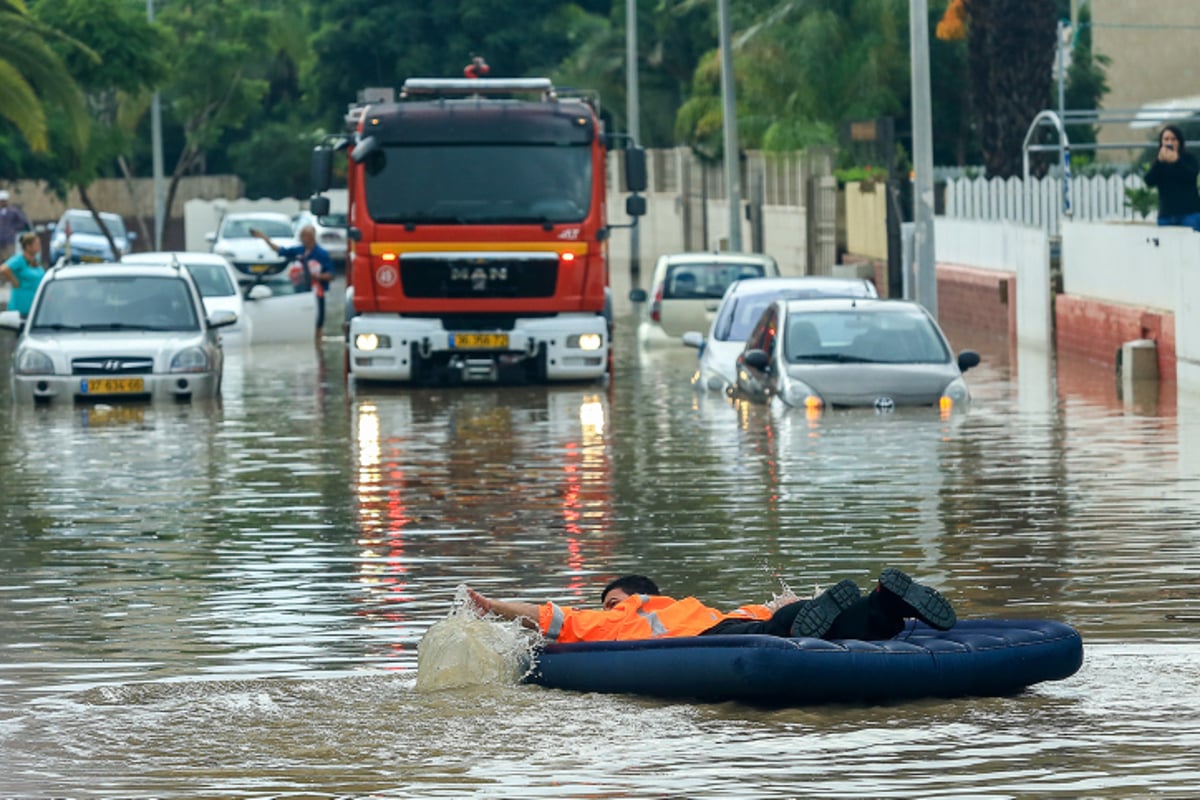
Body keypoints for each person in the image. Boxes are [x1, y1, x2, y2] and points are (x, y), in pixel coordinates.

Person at [465, 567, 956, 644]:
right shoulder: (689, 603)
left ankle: (835, 610)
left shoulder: (614, 614)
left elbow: (545, 615)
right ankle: (888, 603)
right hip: (729, 622)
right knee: (801, 620)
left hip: (703, 644)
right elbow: (763, 609)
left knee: (787, 627)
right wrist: (795, 600)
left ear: (623, 596)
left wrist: (491, 606)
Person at [251, 224, 334, 346]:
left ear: (311, 237)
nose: (302, 239)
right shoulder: (298, 251)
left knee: (318, 323)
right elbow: (280, 250)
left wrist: (316, 276)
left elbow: (331, 275)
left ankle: (318, 346)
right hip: (299, 293)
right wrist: (265, 239)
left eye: (304, 236)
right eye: (301, 236)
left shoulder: (322, 254)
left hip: (316, 294)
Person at [1144, 125, 1200, 231]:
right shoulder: (1159, 163)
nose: (1170, 142)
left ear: (1179, 141)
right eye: (1166, 139)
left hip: (1190, 214)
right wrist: (1159, 162)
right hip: (1167, 215)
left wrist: (1177, 161)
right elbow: (1149, 181)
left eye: (1173, 139)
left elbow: (1191, 176)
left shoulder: (1189, 159)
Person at [0, 232, 45, 316]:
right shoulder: (20, 259)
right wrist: (14, 281)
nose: (39, 246)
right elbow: (3, 269)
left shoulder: (34, 261)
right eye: (36, 244)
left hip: (35, 308)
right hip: (21, 309)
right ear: (28, 246)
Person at [0, 190, 33, 263]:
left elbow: (23, 222)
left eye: (3, 201)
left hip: (9, 239)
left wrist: (14, 229)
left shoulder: (13, 211)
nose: (2, 202)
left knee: (10, 258)